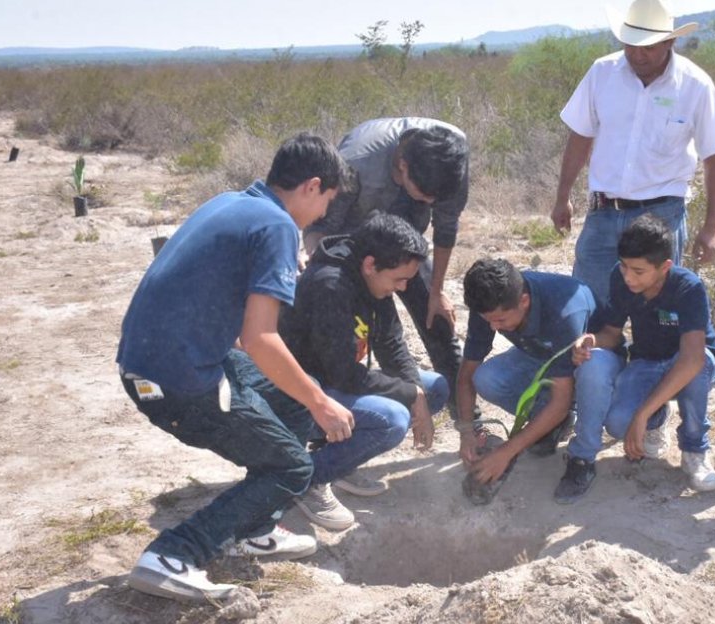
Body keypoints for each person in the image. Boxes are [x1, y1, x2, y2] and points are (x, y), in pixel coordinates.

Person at [117, 133, 352, 603]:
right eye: (327, 200)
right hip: (176, 379)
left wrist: (309, 397)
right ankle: (173, 555)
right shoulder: (278, 227)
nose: (324, 214)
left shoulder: (233, 202)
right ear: (311, 186)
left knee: (293, 400)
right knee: (292, 465)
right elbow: (260, 340)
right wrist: (324, 403)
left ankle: (255, 530)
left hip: (157, 358)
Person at [551, 0, 715, 304]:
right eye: (631, 45)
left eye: (648, 47)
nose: (638, 54)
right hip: (603, 212)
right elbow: (580, 138)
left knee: (659, 312)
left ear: (670, 41)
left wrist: (712, 226)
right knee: (589, 306)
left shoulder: (695, 85)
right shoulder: (602, 73)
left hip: (663, 215)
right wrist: (562, 197)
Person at [279, 213, 450, 530]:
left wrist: (418, 393)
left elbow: (392, 344)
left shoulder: (371, 279)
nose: (403, 287)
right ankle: (306, 480)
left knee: (435, 388)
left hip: (337, 379)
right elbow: (342, 373)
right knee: (391, 421)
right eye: (399, 279)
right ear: (371, 264)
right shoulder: (329, 287)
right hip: (302, 394)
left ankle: (340, 458)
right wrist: (409, 394)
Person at [306, 118, 472, 420]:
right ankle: (337, 414)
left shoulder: (452, 154)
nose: (431, 202)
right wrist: (330, 280)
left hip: (408, 245)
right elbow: (321, 227)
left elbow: (446, 229)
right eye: (424, 195)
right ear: (403, 167)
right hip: (355, 246)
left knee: (437, 320)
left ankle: (467, 419)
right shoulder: (355, 164)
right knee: (368, 329)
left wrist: (436, 291)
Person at [565, 215, 715, 503]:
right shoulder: (620, 277)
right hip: (647, 361)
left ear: (665, 267)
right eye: (624, 266)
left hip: (693, 362)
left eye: (638, 271)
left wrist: (641, 414)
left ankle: (695, 450)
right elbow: (613, 333)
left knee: (694, 374)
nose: (628, 277)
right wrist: (592, 340)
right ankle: (658, 417)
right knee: (617, 425)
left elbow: (692, 359)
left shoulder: (688, 288)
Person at [454, 258, 620, 499]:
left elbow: (560, 402)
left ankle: (582, 457)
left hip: (591, 361)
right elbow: (467, 372)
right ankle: (552, 425)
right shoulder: (491, 303)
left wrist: (506, 452)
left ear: (524, 301)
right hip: (542, 355)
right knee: (487, 378)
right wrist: (467, 432)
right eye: (487, 320)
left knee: (590, 370)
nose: (492, 327)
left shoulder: (564, 311)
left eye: (500, 321)